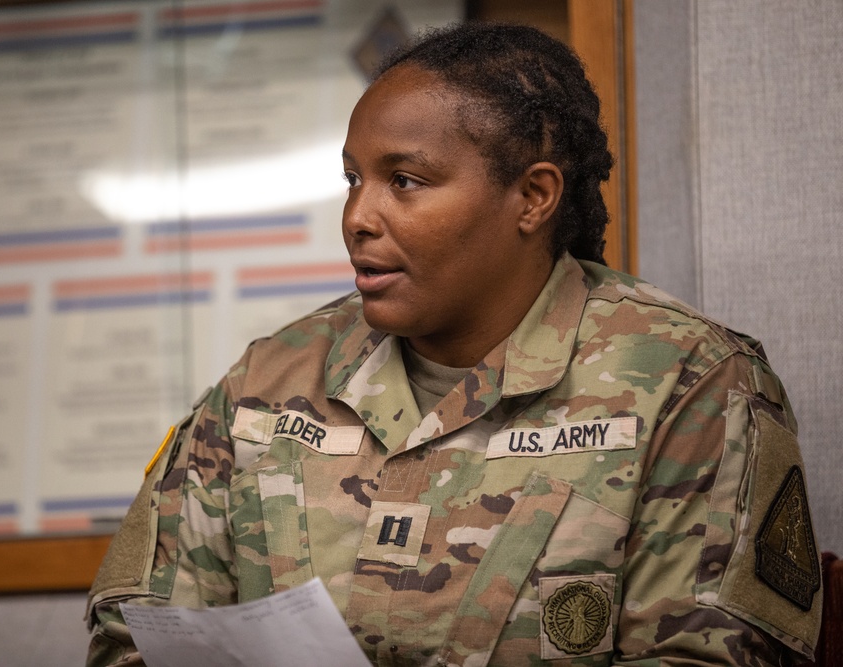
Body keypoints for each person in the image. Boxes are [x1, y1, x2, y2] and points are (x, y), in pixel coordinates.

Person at [86, 22, 822, 665]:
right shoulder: (268, 383)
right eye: (352, 179)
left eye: (404, 180)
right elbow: (135, 633)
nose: (357, 217)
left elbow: (709, 656)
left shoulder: (687, 382)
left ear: (533, 197)